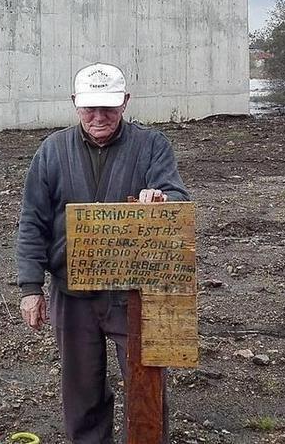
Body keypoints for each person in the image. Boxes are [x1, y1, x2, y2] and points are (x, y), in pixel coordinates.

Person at [16, 63, 189, 443]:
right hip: (72, 292)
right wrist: (31, 287)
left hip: (135, 294)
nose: (99, 117)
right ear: (75, 103)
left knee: (147, 384)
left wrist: (161, 199)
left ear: (125, 102)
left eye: (108, 107)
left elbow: (177, 196)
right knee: (81, 389)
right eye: (90, 107)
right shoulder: (52, 150)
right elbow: (32, 221)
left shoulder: (151, 145)